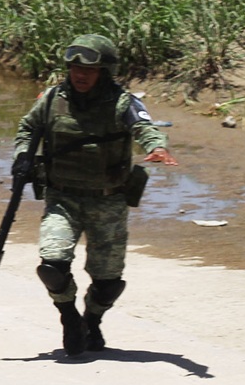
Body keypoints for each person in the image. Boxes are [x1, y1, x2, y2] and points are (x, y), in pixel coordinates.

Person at [12, 34, 178, 356]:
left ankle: (93, 319)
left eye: (89, 69)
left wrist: (157, 147)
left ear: (105, 71)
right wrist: (23, 156)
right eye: (74, 68)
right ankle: (69, 317)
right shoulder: (51, 99)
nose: (80, 75)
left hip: (108, 201)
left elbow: (145, 128)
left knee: (109, 281)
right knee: (52, 265)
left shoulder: (122, 102)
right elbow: (28, 128)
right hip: (63, 198)